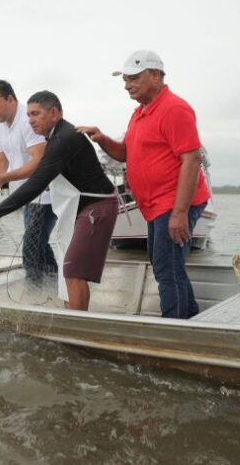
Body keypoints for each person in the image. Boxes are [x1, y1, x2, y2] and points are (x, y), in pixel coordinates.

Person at [77, 50, 210, 319]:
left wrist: (180, 213)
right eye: (125, 80)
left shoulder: (175, 109)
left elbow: (192, 159)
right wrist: (101, 138)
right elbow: (126, 153)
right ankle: (191, 320)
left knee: (165, 269)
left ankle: (176, 329)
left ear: (155, 75)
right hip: (153, 204)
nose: (127, 85)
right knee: (168, 266)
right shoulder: (139, 113)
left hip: (173, 203)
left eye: (133, 78)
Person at [0, 91, 117, 311]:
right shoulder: (56, 136)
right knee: (68, 268)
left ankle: (76, 327)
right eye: (29, 115)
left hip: (96, 208)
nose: (30, 120)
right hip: (82, 209)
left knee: (74, 271)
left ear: (54, 113)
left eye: (36, 114)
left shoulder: (64, 139)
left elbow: (36, 183)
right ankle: (71, 315)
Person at [0, 80, 57, 281]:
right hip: (23, 195)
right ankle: (54, 285)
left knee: (32, 245)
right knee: (38, 242)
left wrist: (4, 177)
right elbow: (1, 160)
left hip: (44, 193)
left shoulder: (28, 120)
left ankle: (35, 293)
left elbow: (39, 160)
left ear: (10, 99)